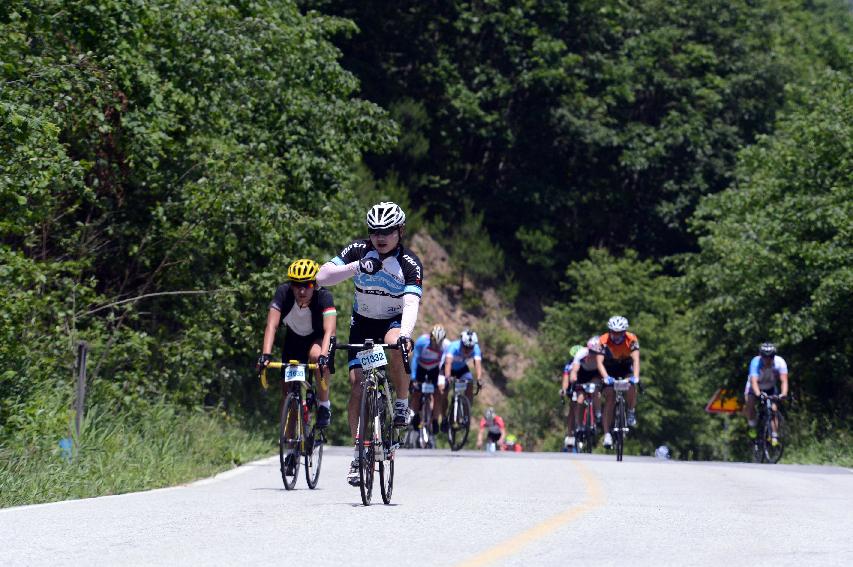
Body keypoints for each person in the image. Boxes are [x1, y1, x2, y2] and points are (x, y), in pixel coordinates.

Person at [316, 201, 423, 486]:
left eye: (387, 231)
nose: (380, 236)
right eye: (375, 231)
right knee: (357, 385)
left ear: (400, 231)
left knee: (397, 345)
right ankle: (359, 452)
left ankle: (401, 402)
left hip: (392, 322)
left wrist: (405, 334)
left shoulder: (409, 263)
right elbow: (321, 277)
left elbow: (411, 303)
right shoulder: (358, 251)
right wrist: (356, 267)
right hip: (362, 323)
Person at [256, 259, 337, 473]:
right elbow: (271, 325)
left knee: (316, 357)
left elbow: (329, 331)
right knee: (288, 394)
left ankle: (324, 404)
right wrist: (265, 355)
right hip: (292, 342)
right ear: (290, 285)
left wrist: (324, 357)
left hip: (318, 339)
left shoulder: (324, 296)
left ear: (315, 284)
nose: (302, 290)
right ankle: (291, 451)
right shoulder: (283, 293)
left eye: (308, 285)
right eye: (296, 285)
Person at [592, 316, 640, 448]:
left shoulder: (632, 339)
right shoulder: (603, 340)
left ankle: (630, 411)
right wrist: (606, 377)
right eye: (614, 332)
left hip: (625, 366)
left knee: (631, 386)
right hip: (609, 367)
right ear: (609, 331)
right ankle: (607, 434)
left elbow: (636, 359)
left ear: (624, 332)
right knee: (610, 395)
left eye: (620, 332)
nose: (616, 335)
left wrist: (635, 376)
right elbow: (599, 362)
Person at [562, 337, 604, 448]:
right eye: (591, 352)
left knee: (596, 391)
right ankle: (580, 425)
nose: (593, 354)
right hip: (582, 375)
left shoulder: (602, 356)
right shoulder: (581, 354)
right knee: (579, 399)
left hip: (595, 374)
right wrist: (573, 378)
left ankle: (598, 413)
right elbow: (574, 371)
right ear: (587, 349)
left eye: (596, 352)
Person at [744, 342, 789, 445]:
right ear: (761, 355)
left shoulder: (780, 362)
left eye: (770, 357)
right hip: (754, 387)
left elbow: (784, 380)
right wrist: (758, 394)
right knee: (750, 405)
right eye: (765, 356)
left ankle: (774, 436)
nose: (768, 359)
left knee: (773, 409)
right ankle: (752, 426)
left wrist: (784, 393)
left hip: (770, 387)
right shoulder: (755, 362)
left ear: (774, 356)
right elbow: (754, 381)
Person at [439, 329, 483, 432]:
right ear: (461, 343)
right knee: (443, 393)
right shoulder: (453, 347)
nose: (467, 350)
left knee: (470, 383)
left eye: (470, 348)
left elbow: (477, 364)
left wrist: (479, 379)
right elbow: (448, 364)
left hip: (461, 369)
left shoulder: (476, 348)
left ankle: (466, 410)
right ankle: (444, 418)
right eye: (465, 347)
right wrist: (448, 377)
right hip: (447, 369)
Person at [409, 324, 451, 433]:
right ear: (430, 338)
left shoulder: (447, 345)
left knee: (438, 393)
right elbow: (415, 359)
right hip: (420, 368)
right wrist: (414, 379)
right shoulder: (421, 341)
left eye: (439, 343)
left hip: (435, 369)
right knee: (416, 393)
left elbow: (445, 363)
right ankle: (416, 415)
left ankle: (435, 420)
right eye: (434, 343)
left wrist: (444, 379)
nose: (436, 345)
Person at [559, 343, 584, 449]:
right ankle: (570, 435)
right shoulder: (568, 365)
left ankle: (589, 421)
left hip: (585, 386)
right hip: (573, 387)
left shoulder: (586, 362)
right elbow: (565, 379)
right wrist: (564, 390)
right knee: (572, 408)